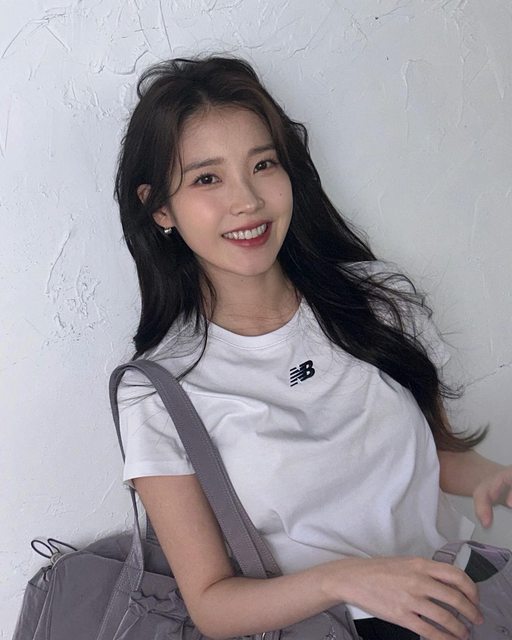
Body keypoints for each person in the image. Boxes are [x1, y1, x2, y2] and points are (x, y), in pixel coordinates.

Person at [113, 55, 512, 640]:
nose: (247, 200)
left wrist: (491, 476)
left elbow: (435, 455)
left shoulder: (378, 302)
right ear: (160, 208)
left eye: (263, 165)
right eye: (207, 179)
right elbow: (213, 605)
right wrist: (347, 581)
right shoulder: (159, 391)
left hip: (461, 605)